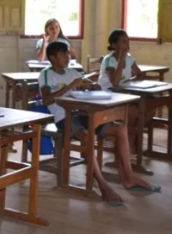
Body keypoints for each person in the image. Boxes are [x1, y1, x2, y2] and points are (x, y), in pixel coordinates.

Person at [38, 41, 160, 206]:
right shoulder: (46, 74)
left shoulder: (72, 72)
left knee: (120, 129)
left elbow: (86, 91)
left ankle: (129, 177)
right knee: (87, 138)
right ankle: (103, 185)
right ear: (52, 57)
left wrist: (92, 86)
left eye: (68, 54)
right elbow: (46, 99)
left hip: (83, 113)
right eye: (63, 54)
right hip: (63, 118)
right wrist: (70, 87)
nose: (68, 57)